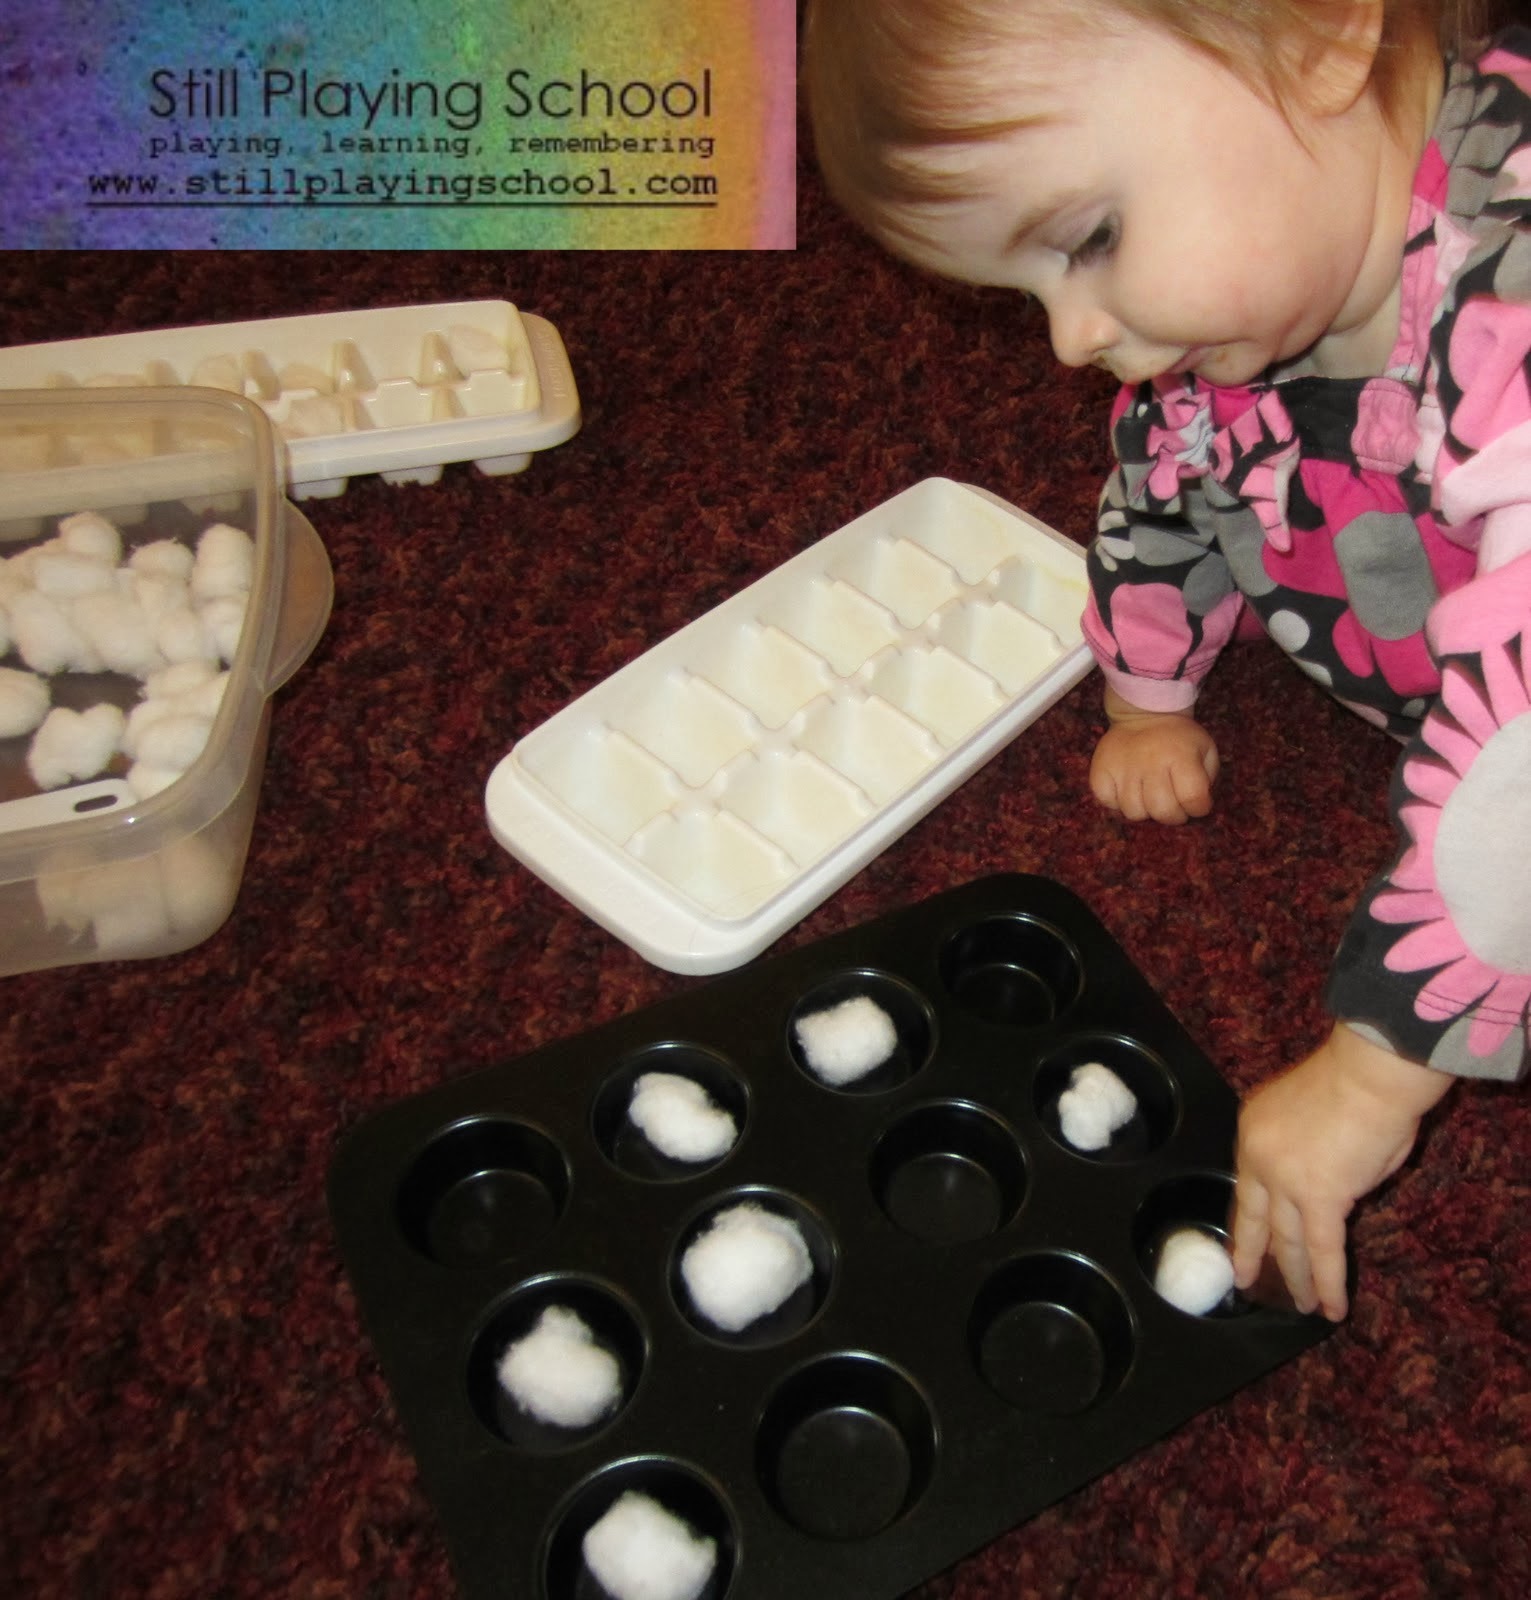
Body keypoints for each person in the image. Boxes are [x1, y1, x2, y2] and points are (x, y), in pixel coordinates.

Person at [804, 0, 1529, 1320]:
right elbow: (1169, 489)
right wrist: (1148, 693)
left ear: (1317, 38)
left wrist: (1377, 1068)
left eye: (1089, 242)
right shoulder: (1252, 287)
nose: (1070, 340)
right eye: (1023, 293)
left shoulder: (1516, 289)